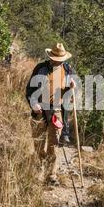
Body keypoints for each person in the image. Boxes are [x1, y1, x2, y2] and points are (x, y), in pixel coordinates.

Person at [26, 43, 75, 185]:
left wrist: (72, 87)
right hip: (40, 110)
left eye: (60, 59)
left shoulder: (67, 69)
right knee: (39, 142)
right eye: (55, 58)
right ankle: (39, 168)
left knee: (53, 144)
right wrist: (33, 103)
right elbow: (29, 90)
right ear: (50, 57)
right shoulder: (41, 68)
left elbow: (71, 90)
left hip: (57, 110)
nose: (57, 61)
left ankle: (51, 175)